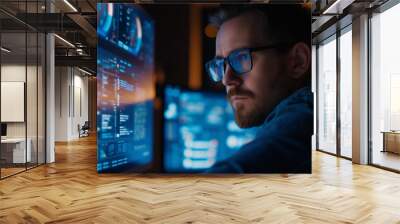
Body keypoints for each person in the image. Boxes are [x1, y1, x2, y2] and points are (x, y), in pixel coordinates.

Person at [204, 4, 313, 173]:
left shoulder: (304, 115)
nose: (227, 79)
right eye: (221, 64)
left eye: (242, 58)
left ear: (298, 61)